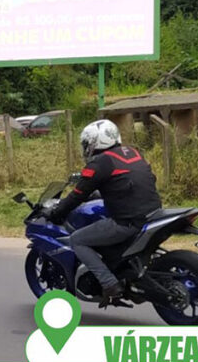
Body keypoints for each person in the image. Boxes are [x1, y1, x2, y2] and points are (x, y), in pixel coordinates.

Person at [45, 120, 162, 305]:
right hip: (154, 213)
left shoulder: (100, 163)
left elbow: (77, 195)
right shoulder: (133, 152)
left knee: (78, 239)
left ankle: (110, 284)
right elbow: (139, 180)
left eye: (86, 144)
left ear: (95, 142)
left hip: (127, 221)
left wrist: (56, 212)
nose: (85, 148)